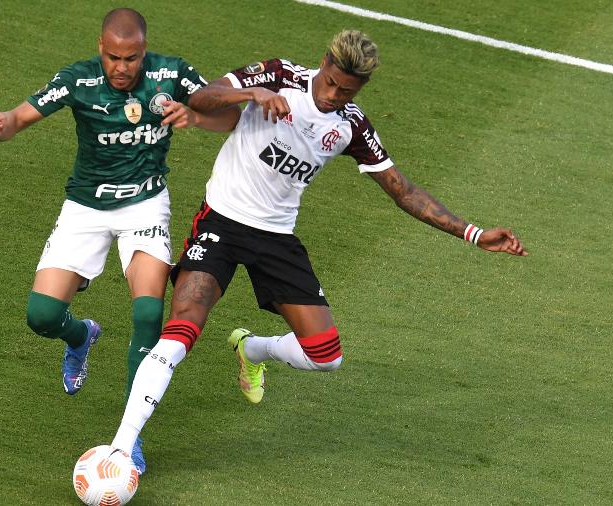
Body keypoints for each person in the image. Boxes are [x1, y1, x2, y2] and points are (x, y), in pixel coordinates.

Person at [109, 30, 527, 457]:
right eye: (331, 83)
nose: (333, 96)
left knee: (327, 356)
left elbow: (403, 191)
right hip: (222, 222)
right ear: (324, 62)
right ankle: (122, 448)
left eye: (347, 91)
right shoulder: (278, 75)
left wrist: (473, 233)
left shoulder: (351, 126)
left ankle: (252, 348)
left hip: (276, 238)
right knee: (182, 328)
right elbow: (202, 99)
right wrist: (252, 93)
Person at [0, 8, 237, 474]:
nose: (122, 67)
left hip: (145, 205)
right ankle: (81, 336)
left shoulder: (171, 73)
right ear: (100, 48)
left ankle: (128, 438)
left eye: (132, 58)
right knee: (41, 316)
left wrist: (195, 117)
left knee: (147, 310)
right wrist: (3, 127)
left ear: (144, 51)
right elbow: (20, 117)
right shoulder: (77, 80)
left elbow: (231, 118)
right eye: (114, 57)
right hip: (85, 208)